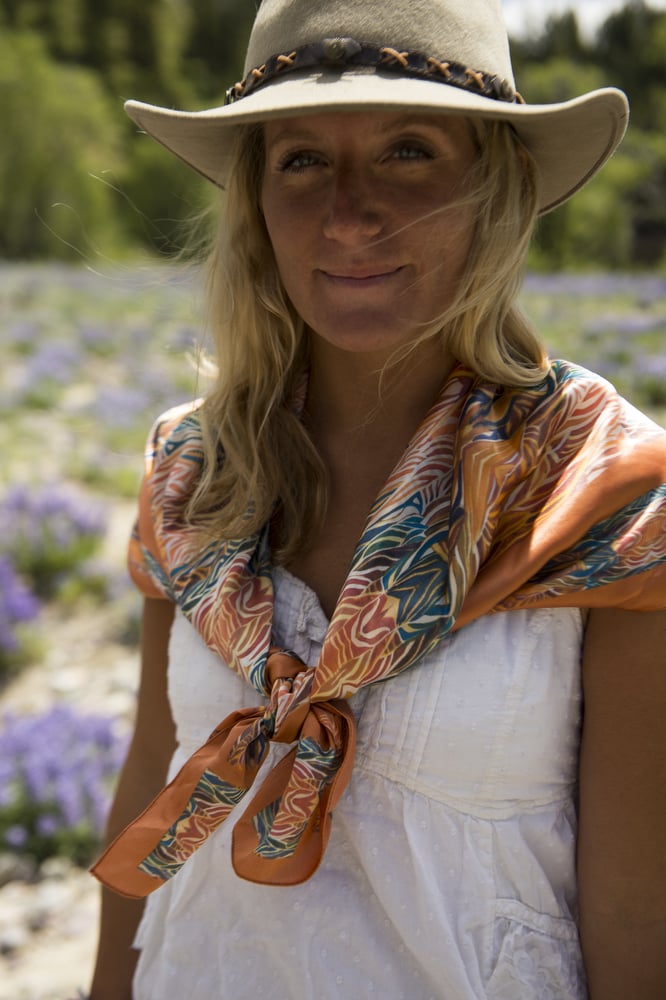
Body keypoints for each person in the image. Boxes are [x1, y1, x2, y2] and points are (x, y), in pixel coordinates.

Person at [88, 1, 666, 997]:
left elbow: (633, 911)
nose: (350, 214)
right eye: (302, 160)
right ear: (256, 202)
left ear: (497, 184)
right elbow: (151, 781)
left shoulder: (602, 490)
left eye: (409, 151)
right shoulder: (194, 472)